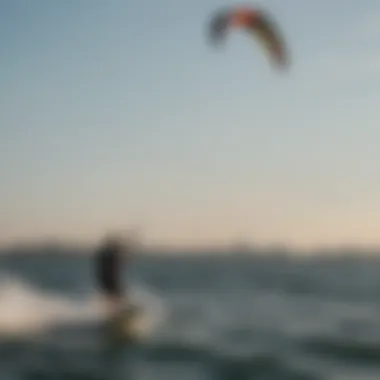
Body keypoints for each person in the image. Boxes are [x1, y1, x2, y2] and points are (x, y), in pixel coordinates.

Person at [95, 234, 131, 317]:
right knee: (115, 295)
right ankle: (114, 314)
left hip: (107, 279)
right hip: (108, 279)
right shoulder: (108, 255)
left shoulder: (106, 254)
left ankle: (115, 313)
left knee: (116, 296)